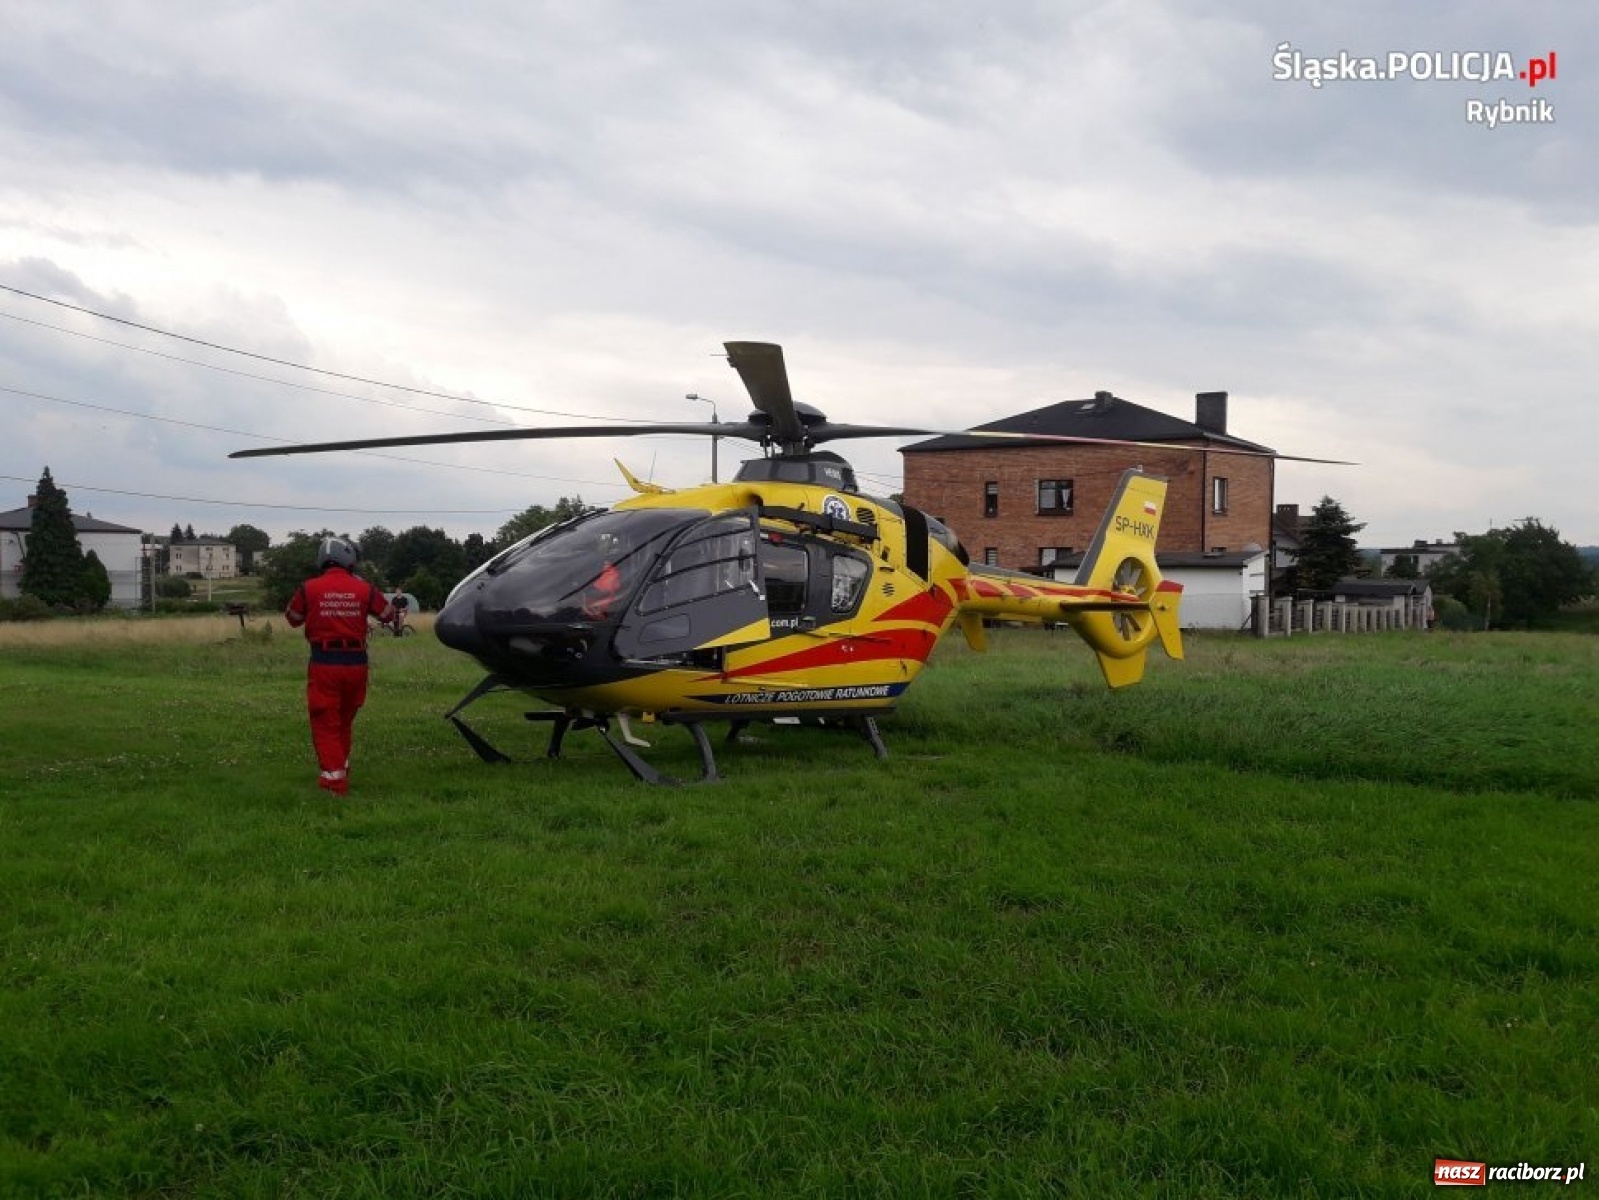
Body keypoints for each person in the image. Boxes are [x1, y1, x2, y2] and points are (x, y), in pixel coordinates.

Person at [284, 537, 394, 795]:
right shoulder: (364, 588)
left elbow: (292, 618)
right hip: (357, 663)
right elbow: (388, 615)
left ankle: (334, 782)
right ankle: (341, 766)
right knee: (345, 719)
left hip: (324, 662)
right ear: (350, 560)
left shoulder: (308, 588)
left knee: (325, 720)